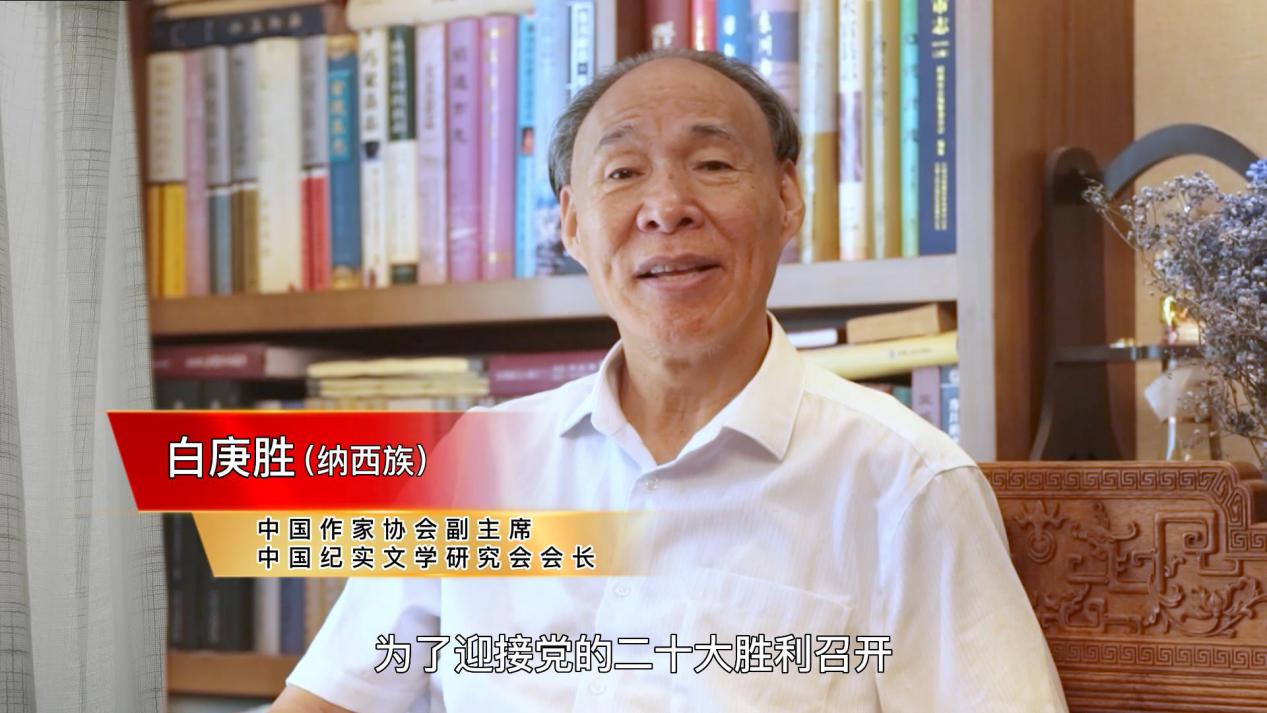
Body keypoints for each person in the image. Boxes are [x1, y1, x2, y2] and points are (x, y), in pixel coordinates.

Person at [272, 48, 1068, 712]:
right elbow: (330, 698)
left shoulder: (905, 483)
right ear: (572, 224)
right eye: (622, 172)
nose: (666, 207)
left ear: (786, 199)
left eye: (712, 164)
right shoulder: (480, 459)